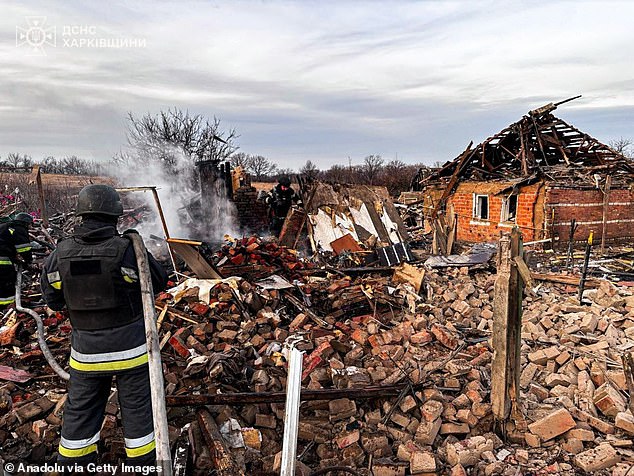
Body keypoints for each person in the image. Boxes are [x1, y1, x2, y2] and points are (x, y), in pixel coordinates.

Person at [40, 184, 168, 471]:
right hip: (132, 353)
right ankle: (143, 465)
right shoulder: (126, 250)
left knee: (81, 412)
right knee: (137, 411)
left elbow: (53, 299)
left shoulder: (60, 253)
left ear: (81, 214)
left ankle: (74, 464)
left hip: (86, 356)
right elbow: (157, 282)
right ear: (115, 215)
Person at [0, 212, 33, 308]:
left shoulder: (4, 226)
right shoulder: (19, 229)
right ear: (25, 223)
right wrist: (28, 261)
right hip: (3, 263)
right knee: (6, 285)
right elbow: (24, 249)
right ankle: (6, 308)